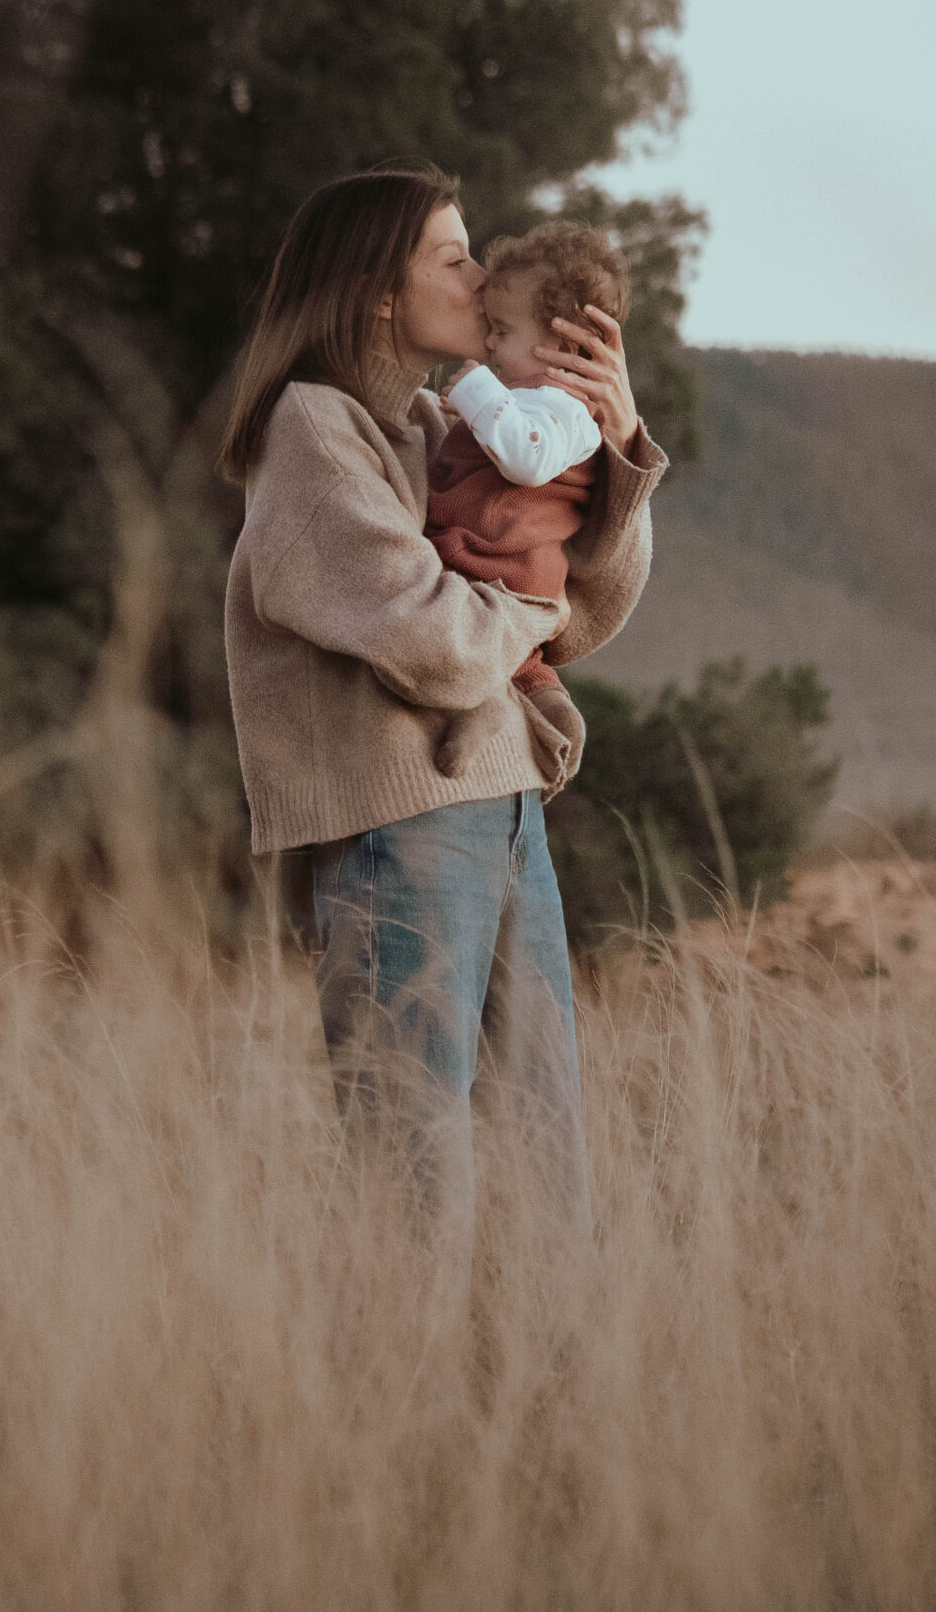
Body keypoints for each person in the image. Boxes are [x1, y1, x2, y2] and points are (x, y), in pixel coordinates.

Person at [218, 166, 666, 1248]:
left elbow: (583, 610)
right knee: (412, 1175)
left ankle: (537, 1372)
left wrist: (614, 446)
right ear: (381, 291)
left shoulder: (434, 422)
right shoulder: (313, 427)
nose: (480, 271)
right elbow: (442, 644)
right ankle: (398, 1371)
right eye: (452, 256)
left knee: (545, 1172)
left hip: (504, 809)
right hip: (401, 826)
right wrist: (530, 606)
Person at [423, 219, 632, 782]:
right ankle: (554, 705)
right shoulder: (532, 398)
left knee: (469, 641)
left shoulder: (565, 406)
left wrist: (477, 390)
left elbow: (525, 456)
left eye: (503, 331)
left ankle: (482, 706)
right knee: (521, 662)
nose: (490, 343)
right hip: (505, 562)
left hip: (502, 559)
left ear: (560, 345)